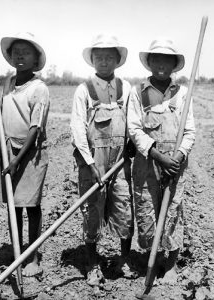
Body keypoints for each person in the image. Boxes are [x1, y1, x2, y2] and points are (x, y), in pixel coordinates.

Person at [70, 34, 137, 286]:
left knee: (124, 207)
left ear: (118, 60)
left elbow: (133, 122)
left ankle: (124, 260)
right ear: (92, 60)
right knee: (92, 213)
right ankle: (92, 264)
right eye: (99, 57)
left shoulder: (126, 88)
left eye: (109, 57)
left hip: (120, 162)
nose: (104, 61)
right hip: (92, 164)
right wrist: (90, 163)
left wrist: (130, 147)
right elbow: (77, 129)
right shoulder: (83, 90)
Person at [127, 38, 196, 283]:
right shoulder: (138, 93)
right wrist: (158, 156)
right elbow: (134, 130)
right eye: (156, 59)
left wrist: (175, 159)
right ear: (149, 62)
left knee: (172, 211)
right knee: (147, 212)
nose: (161, 64)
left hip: (175, 166)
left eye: (167, 59)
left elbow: (189, 132)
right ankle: (151, 262)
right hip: (147, 162)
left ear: (174, 64)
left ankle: (171, 264)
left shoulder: (183, 94)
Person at [0, 32, 50, 277]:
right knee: (14, 206)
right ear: (11, 58)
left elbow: (35, 129)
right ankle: (17, 252)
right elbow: (1, 107)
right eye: (16, 52)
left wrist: (17, 160)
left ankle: (33, 256)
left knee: (31, 205)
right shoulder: (9, 83)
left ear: (36, 60)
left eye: (26, 52)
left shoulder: (39, 89)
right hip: (8, 150)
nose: (20, 56)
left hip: (30, 153)